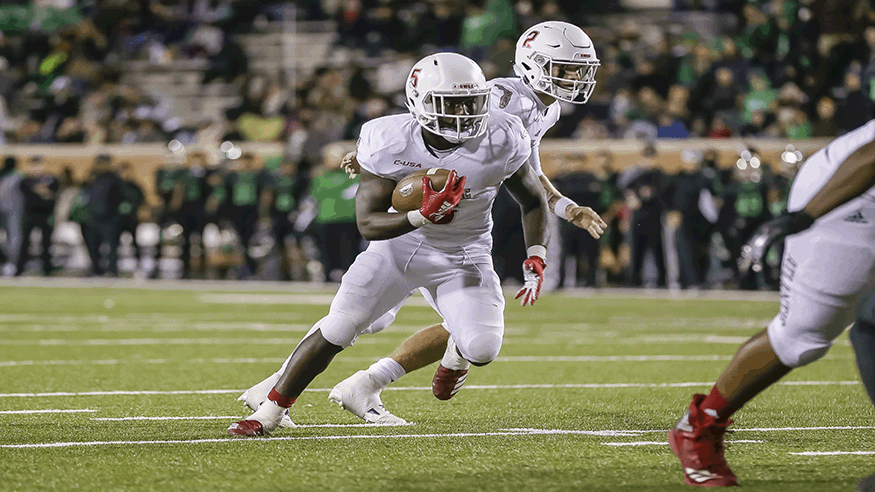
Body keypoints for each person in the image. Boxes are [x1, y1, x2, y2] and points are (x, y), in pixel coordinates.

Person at [236, 21, 607, 424]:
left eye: (580, 70)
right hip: (411, 233)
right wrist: (374, 163)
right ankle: (275, 393)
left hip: (465, 236)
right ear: (535, 64)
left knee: (477, 338)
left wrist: (565, 208)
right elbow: (434, 119)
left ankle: (376, 379)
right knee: (357, 320)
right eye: (568, 68)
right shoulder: (496, 102)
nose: (577, 79)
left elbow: (527, 176)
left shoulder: (537, 112)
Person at [668, 118, 875, 487]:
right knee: (802, 337)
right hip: (849, 197)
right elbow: (872, 156)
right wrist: (805, 216)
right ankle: (699, 428)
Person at [16, 156, 59, 276]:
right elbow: (29, 189)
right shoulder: (26, 180)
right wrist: (43, 191)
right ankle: (19, 269)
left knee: (46, 243)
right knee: (25, 242)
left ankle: (47, 269)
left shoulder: (51, 179)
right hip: (30, 215)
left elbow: (54, 190)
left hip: (46, 215)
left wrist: (43, 191)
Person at [117, 161, 146, 273]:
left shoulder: (135, 187)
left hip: (132, 218)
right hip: (118, 219)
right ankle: (115, 266)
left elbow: (142, 202)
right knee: (115, 243)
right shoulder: (117, 186)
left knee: (135, 242)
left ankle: (139, 266)